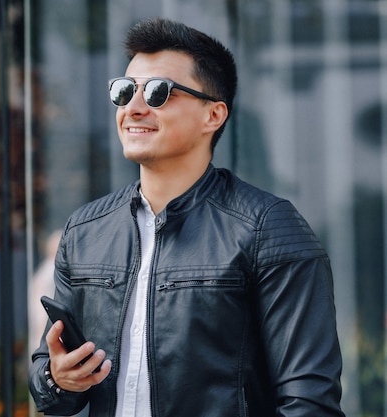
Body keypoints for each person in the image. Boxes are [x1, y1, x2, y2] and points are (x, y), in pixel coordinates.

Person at [29, 18, 345, 417]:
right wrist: (59, 378)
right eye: (124, 91)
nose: (135, 108)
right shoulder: (85, 231)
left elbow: (310, 403)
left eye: (159, 93)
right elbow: (49, 385)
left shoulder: (268, 228)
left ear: (213, 115)